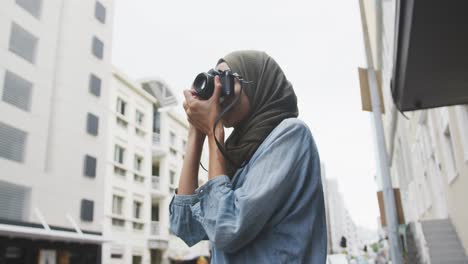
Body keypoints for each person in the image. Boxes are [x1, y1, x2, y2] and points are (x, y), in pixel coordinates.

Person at [170, 50, 327, 263]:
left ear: (255, 83)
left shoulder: (291, 135)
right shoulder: (236, 154)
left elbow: (226, 229)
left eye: (225, 80)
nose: (218, 91)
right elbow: (185, 226)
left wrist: (213, 133)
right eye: (214, 79)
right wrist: (195, 133)